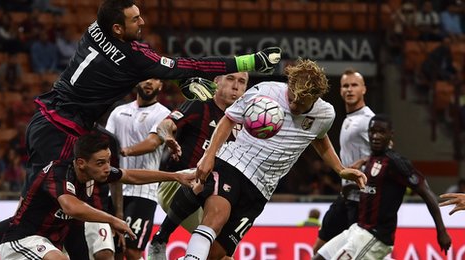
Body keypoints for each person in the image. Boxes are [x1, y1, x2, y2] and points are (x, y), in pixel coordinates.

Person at [0, 0, 281, 257]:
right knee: (34, 217)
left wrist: (181, 79)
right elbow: (185, 64)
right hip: (59, 132)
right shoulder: (133, 57)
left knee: (65, 213)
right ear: (118, 26)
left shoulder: (94, 30)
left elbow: (142, 68)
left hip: (51, 121)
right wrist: (249, 62)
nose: (142, 23)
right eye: (135, 19)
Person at [180, 59, 367, 260]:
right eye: (292, 98)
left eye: (301, 103)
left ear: (314, 99)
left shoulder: (325, 114)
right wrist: (208, 156)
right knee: (216, 217)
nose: (294, 105)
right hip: (233, 165)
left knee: (217, 253)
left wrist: (340, 169)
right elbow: (229, 118)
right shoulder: (265, 91)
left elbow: (320, 139)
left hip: (261, 189)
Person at [0, 132, 196, 260]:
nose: (107, 168)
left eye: (108, 161)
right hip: (22, 241)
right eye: (101, 163)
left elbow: (130, 175)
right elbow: (71, 207)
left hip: (50, 243)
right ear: (82, 163)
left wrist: (175, 176)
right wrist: (113, 219)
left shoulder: (93, 172)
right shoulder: (58, 173)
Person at [314, 115, 451, 259]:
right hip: (357, 229)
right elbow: (375, 191)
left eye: (381, 132)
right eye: (372, 132)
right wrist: (352, 190)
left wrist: (441, 230)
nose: (376, 136)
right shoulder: (372, 159)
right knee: (318, 257)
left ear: (390, 135)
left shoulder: (396, 163)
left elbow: (426, 192)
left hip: (376, 236)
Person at [147, 72, 249, 260]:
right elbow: (165, 125)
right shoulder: (200, 104)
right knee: (205, 171)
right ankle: (161, 238)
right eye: (230, 79)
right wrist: (168, 137)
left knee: (221, 255)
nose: (235, 86)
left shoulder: (244, 124)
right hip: (175, 184)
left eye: (241, 82)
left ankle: (164, 240)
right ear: (216, 83)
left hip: (208, 195)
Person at [105, 78, 171, 260]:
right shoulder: (119, 112)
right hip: (115, 190)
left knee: (133, 250)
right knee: (114, 249)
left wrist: (124, 152)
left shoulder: (164, 114)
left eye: (155, 79)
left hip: (144, 191)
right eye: (145, 78)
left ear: (161, 85)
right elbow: (107, 141)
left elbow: (152, 143)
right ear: (137, 82)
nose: (149, 83)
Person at [311, 69, 375, 255]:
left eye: (354, 85)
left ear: (364, 89)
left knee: (354, 255)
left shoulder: (368, 120)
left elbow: (387, 154)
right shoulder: (349, 119)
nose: (349, 89)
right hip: (345, 197)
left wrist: (362, 161)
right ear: (340, 91)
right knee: (319, 250)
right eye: (345, 86)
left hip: (362, 201)